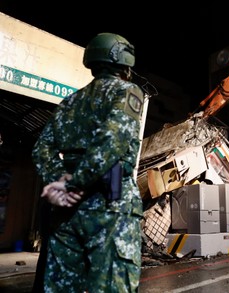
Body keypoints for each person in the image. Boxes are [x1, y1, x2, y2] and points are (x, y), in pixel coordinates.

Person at [31, 32, 145, 293]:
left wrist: (60, 181)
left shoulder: (69, 102)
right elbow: (112, 140)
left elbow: (41, 148)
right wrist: (77, 183)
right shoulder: (127, 91)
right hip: (110, 206)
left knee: (60, 286)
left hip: (66, 213)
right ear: (124, 63)